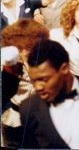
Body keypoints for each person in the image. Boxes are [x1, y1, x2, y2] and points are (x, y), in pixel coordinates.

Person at [1, 20, 49, 148]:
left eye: (28, 47)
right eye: (19, 48)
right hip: (14, 121)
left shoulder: (47, 63)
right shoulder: (7, 67)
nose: (24, 52)